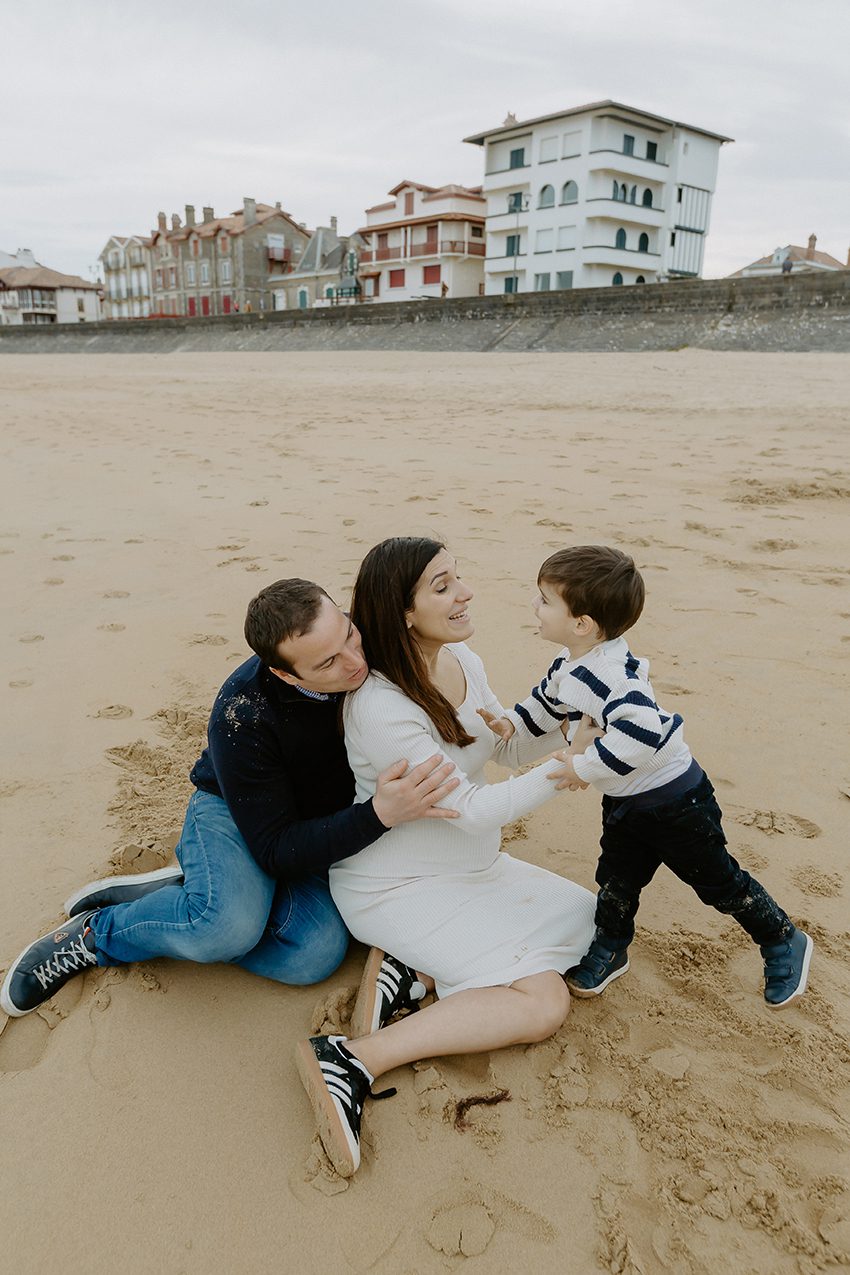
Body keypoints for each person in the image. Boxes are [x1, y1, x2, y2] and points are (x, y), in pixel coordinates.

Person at [1, 580, 461, 1018]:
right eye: (326, 664)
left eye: (348, 633)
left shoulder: (355, 644)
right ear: (284, 672)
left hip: (324, 823)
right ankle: (96, 934)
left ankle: (190, 895)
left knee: (312, 956)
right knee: (225, 929)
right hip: (240, 817)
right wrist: (379, 815)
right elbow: (276, 847)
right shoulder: (244, 714)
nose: (355, 662)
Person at [295, 537, 597, 1177]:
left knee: (588, 922)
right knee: (544, 1002)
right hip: (398, 884)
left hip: (469, 866)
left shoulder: (460, 656)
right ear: (402, 611)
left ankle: (414, 974)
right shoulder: (381, 706)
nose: (464, 594)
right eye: (441, 586)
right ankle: (354, 1058)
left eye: (457, 578)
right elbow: (474, 807)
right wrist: (563, 773)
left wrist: (574, 724)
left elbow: (503, 751)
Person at [483, 545, 813, 1008]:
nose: (533, 607)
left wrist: (584, 766)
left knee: (716, 882)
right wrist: (513, 725)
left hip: (675, 801)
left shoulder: (617, 676)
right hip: (626, 802)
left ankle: (781, 937)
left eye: (543, 600)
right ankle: (612, 946)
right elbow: (548, 701)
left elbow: (641, 736)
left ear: (582, 623)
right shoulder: (570, 662)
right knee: (617, 879)